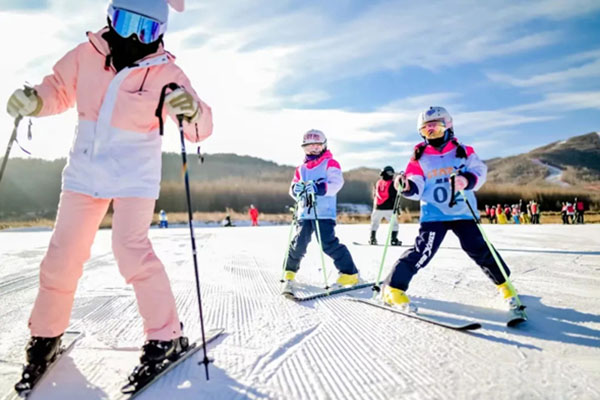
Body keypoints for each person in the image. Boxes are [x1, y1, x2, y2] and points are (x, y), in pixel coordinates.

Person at [6, 0, 213, 386]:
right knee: (62, 255)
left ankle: (165, 336)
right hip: (85, 173)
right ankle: (46, 334)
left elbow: (200, 129)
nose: (134, 37)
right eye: (126, 22)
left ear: (161, 33)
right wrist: (33, 100)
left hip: (135, 176)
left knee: (130, 250)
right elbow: (57, 90)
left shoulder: (167, 72)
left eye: (146, 30)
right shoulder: (86, 55)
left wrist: (193, 111)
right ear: (109, 16)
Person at [381, 107, 520, 312]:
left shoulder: (463, 151)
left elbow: (479, 171)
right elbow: (415, 185)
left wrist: (467, 179)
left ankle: (505, 286)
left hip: (463, 212)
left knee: (479, 249)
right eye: (426, 131)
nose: (432, 134)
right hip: (434, 214)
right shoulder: (418, 157)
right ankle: (393, 288)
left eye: (436, 129)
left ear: (448, 126)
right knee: (422, 251)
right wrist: (407, 186)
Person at [281, 129, 360, 292]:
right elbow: (292, 188)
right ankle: (289, 271)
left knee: (328, 244)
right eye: (309, 146)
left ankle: (349, 273)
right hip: (305, 212)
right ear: (304, 148)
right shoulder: (301, 168)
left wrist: (318, 187)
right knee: (299, 243)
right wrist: (296, 189)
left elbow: (336, 183)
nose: (313, 149)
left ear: (324, 146)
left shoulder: (330, 163)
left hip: (324, 212)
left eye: (317, 146)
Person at [369, 166, 401, 246]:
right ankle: (394, 240)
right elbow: (396, 196)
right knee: (394, 225)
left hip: (377, 207)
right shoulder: (393, 183)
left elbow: (374, 194)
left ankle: (372, 239)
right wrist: (397, 207)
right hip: (389, 208)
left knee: (374, 223)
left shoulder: (377, 183)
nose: (392, 174)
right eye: (390, 173)